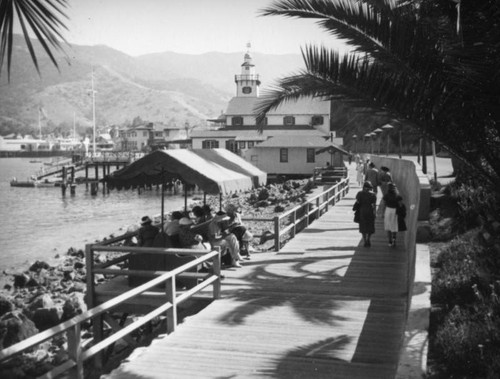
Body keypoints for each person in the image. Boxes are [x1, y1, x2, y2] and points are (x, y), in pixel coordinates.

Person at [355, 181, 377, 247]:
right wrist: (375, 213)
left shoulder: (359, 193)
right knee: (370, 226)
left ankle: (364, 240)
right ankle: (368, 239)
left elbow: (357, 201)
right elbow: (374, 205)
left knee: (363, 226)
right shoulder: (373, 194)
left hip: (362, 211)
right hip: (370, 210)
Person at [382, 183, 403, 247]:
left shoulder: (386, 195)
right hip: (395, 211)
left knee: (388, 226)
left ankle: (390, 241)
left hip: (388, 210)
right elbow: (400, 205)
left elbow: (384, 205)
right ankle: (394, 238)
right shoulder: (398, 195)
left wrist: (383, 213)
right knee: (394, 226)